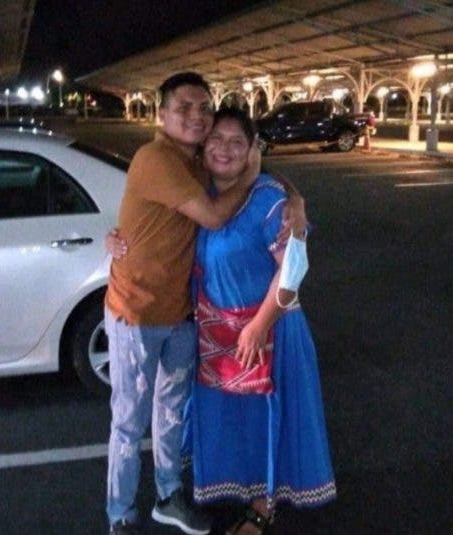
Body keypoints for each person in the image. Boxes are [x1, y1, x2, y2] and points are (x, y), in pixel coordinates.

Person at [105, 72, 268, 535]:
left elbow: (239, 178)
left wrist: (290, 195)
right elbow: (214, 216)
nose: (197, 116)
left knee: (172, 411)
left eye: (204, 107)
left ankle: (169, 496)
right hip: (136, 313)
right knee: (129, 420)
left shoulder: (195, 160)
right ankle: (120, 514)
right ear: (162, 115)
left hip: (179, 313)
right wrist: (252, 175)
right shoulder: (155, 158)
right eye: (184, 108)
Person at [185, 107, 336, 534]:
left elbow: (294, 270)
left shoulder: (271, 202)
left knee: (268, 418)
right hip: (218, 333)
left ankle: (262, 507)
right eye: (217, 139)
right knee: (237, 421)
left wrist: (259, 325)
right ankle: (244, 487)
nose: (225, 149)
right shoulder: (201, 196)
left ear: (253, 149)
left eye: (237, 141)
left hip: (269, 332)